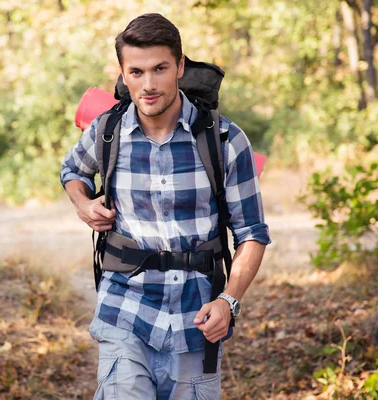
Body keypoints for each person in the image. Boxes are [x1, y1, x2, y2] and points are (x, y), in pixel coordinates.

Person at [60, 13, 270, 400]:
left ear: (180, 66)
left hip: (197, 319)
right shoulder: (106, 131)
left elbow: (252, 234)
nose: (149, 84)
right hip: (124, 308)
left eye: (160, 69)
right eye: (136, 72)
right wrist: (82, 202)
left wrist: (229, 301)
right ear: (123, 74)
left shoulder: (225, 140)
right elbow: (73, 169)